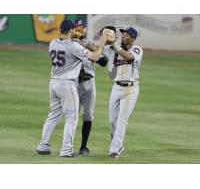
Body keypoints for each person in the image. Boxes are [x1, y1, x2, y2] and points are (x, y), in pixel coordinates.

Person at [36, 19, 108, 157]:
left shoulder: (52, 43)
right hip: (67, 84)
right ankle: (66, 150)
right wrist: (102, 42)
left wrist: (80, 41)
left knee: (53, 115)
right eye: (74, 29)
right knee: (72, 118)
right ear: (70, 30)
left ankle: (43, 145)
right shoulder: (73, 46)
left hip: (53, 83)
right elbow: (95, 57)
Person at [102, 26, 143, 159]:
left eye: (126, 35)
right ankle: (119, 144)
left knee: (121, 120)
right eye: (122, 34)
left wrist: (114, 45)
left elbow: (129, 57)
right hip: (116, 88)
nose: (123, 36)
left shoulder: (136, 49)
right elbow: (95, 50)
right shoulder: (114, 49)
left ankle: (114, 150)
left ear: (133, 37)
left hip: (131, 89)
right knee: (112, 121)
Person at [73, 20, 111, 155]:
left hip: (90, 83)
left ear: (85, 29)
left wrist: (94, 46)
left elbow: (104, 62)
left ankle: (83, 147)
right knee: (73, 116)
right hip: (74, 83)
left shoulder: (90, 45)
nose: (80, 30)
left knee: (88, 116)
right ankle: (67, 147)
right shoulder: (70, 44)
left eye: (81, 28)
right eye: (77, 28)